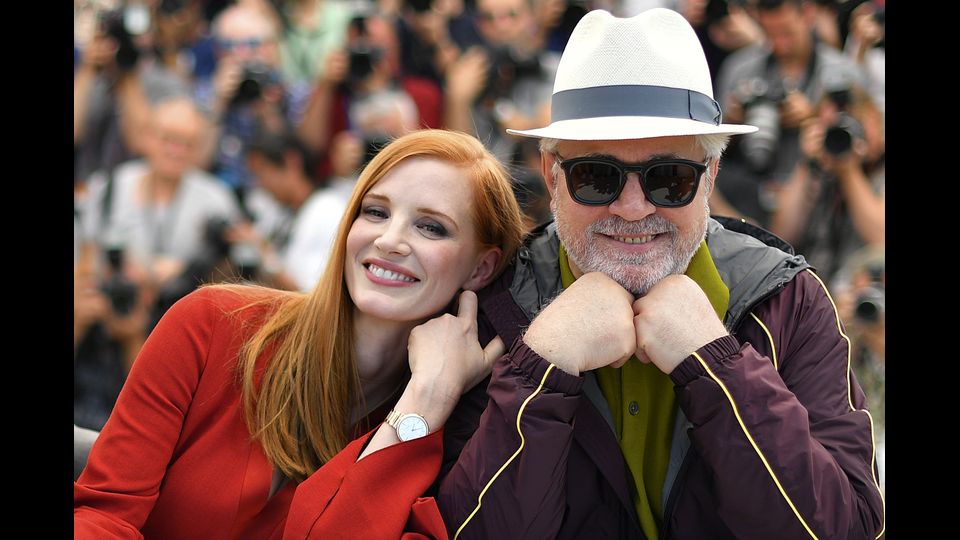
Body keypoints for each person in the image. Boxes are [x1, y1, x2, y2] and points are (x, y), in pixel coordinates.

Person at [435, 8, 885, 539]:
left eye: (668, 178)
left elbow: (848, 529)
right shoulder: (492, 303)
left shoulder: (789, 299)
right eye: (595, 176)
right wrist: (542, 365)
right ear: (551, 177)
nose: (631, 208)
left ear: (711, 176)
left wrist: (717, 370)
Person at [74, 129, 526, 539]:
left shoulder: (464, 431)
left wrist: (424, 403)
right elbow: (104, 514)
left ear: (481, 267)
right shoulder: (211, 323)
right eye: (375, 211)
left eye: (431, 227)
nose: (389, 240)